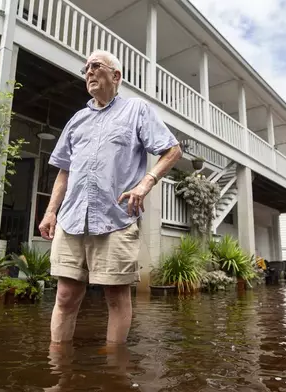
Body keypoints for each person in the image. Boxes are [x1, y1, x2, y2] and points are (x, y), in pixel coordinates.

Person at [39, 49, 182, 346]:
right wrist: (51, 211)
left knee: (116, 297)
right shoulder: (77, 120)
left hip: (114, 219)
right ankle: (58, 368)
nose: (88, 72)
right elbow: (64, 171)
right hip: (72, 219)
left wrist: (146, 183)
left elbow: (172, 150)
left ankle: (115, 371)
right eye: (85, 69)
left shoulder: (136, 110)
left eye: (95, 66)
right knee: (65, 297)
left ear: (116, 76)